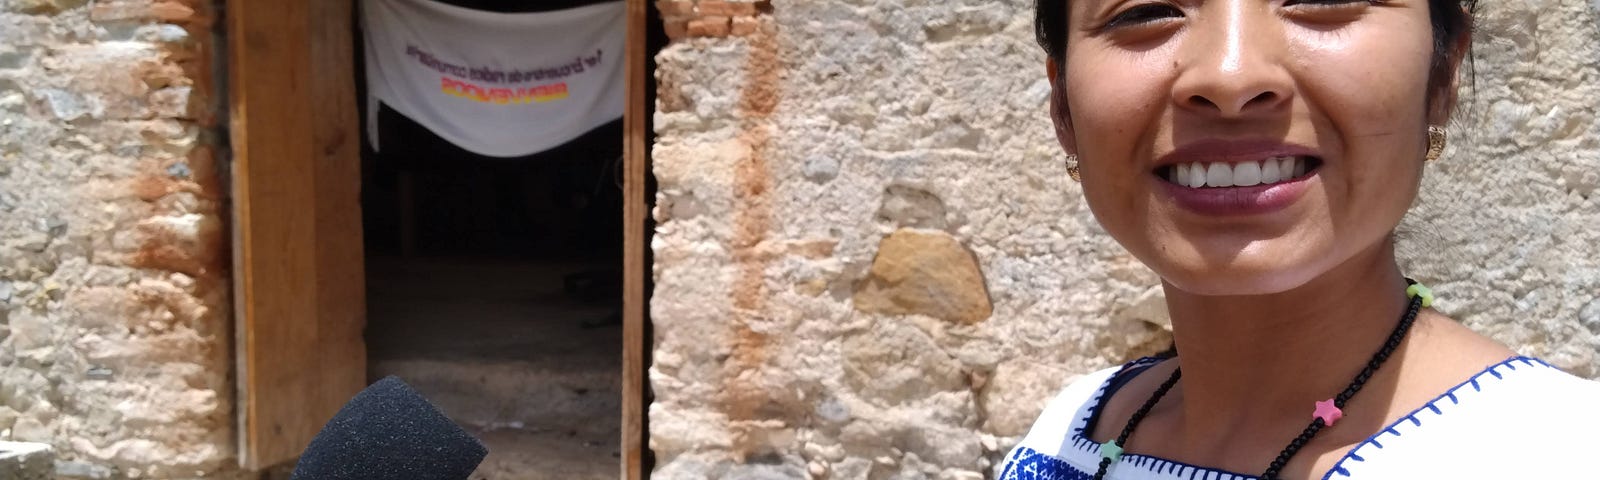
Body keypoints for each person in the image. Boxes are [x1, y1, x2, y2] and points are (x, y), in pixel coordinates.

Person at [999, 0, 1600, 478]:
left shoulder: (1559, 453)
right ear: (1062, 105)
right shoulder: (1063, 435)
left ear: (1441, 76)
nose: (1230, 76)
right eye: (1145, 11)